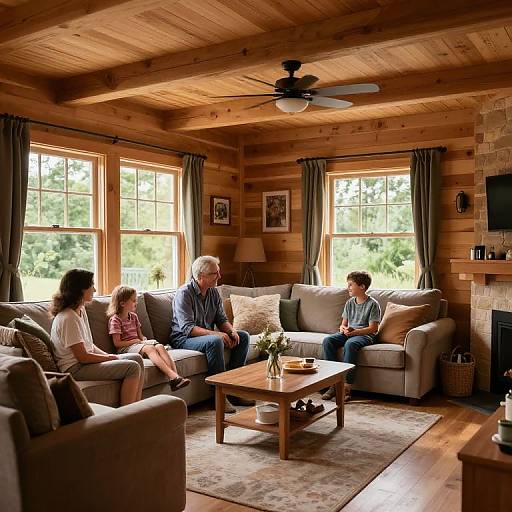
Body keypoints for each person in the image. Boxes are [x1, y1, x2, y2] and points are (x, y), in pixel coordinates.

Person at [169, 255, 252, 413]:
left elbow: (221, 319)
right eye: (215, 273)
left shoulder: (213, 293)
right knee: (214, 341)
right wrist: (217, 335)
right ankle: (218, 398)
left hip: (205, 336)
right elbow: (187, 328)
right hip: (183, 339)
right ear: (201, 276)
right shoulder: (184, 294)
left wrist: (231, 331)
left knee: (244, 336)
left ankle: (234, 391)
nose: (219, 276)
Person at [50, 269, 143, 406]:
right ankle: (128, 413)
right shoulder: (68, 318)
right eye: (91, 285)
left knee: (137, 358)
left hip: (85, 362)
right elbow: (82, 356)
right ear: (80, 289)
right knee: (132, 367)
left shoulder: (80, 310)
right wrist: (108, 358)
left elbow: (89, 345)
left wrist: (109, 356)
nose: (95, 289)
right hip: (75, 368)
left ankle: (138, 407)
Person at [107, 285, 190, 391]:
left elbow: (140, 335)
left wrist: (144, 340)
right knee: (149, 348)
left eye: (136, 300)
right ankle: (173, 376)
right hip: (125, 349)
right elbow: (117, 343)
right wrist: (136, 341)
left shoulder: (134, 317)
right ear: (122, 303)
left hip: (138, 345)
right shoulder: (115, 320)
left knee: (160, 346)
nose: (135, 303)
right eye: (133, 301)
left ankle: (176, 378)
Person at [321, 271, 381, 402]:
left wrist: (354, 332)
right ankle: (334, 384)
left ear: (362, 287)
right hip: (349, 333)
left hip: (366, 335)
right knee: (328, 341)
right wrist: (343, 329)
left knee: (351, 344)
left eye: (350, 285)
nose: (347, 287)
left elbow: (373, 328)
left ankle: (346, 387)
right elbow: (343, 325)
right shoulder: (349, 303)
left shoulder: (373, 304)